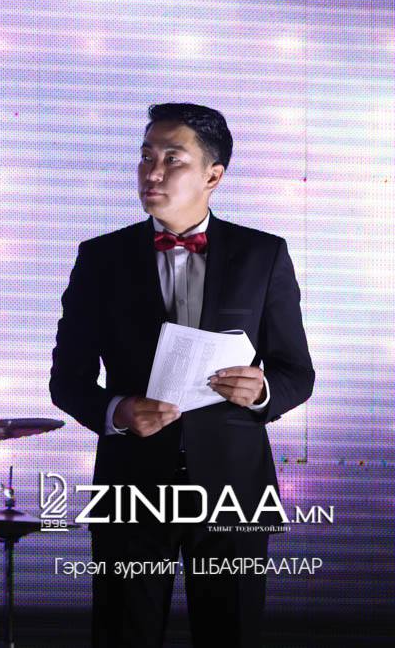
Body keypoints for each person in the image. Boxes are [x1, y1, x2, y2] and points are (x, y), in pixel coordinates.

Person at [50, 103, 314, 648]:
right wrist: (117, 411)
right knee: (122, 635)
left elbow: (296, 372)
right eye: (146, 156)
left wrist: (262, 391)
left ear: (213, 176)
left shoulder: (264, 254)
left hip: (235, 490)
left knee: (231, 635)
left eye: (173, 159)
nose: (152, 172)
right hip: (130, 483)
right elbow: (67, 379)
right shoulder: (100, 258)